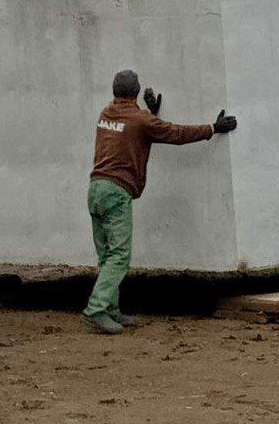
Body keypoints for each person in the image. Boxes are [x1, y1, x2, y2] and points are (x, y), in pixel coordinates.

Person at [84, 69, 237, 335]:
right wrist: (213, 128)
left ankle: (111, 309)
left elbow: (134, 130)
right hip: (116, 192)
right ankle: (97, 308)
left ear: (114, 91)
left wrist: (150, 113)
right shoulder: (140, 119)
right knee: (119, 256)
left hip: (95, 189)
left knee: (107, 256)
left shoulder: (106, 114)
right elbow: (175, 133)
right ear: (136, 92)